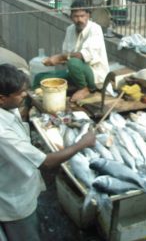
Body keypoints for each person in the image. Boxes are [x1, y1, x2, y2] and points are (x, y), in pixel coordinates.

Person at [0, 63, 96, 241]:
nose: (25, 94)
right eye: (20, 93)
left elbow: (18, 115)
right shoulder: (2, 133)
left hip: (16, 181)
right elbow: (46, 162)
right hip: (13, 200)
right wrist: (82, 144)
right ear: (2, 98)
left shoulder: (6, 107)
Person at [37, 0, 109, 102]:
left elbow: (83, 55)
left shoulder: (95, 29)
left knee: (73, 62)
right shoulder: (70, 29)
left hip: (95, 76)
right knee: (41, 78)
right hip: (74, 73)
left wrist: (60, 57)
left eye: (82, 16)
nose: (79, 19)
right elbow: (66, 55)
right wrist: (52, 61)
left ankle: (85, 89)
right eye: (76, 16)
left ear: (88, 16)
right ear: (71, 17)